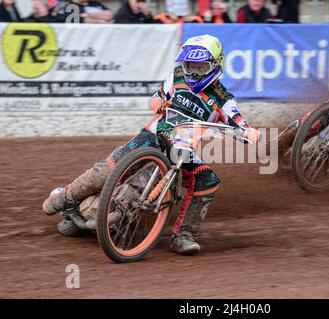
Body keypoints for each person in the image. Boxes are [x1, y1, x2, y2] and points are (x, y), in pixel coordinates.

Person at [42, 35, 260, 255]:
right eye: (189, 66)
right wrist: (159, 104)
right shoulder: (176, 77)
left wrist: (249, 131)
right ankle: (66, 197)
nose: (193, 72)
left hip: (183, 150)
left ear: (215, 65)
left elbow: (237, 120)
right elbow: (155, 98)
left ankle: (184, 235)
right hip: (155, 134)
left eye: (200, 67)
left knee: (208, 179)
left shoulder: (223, 98)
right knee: (108, 168)